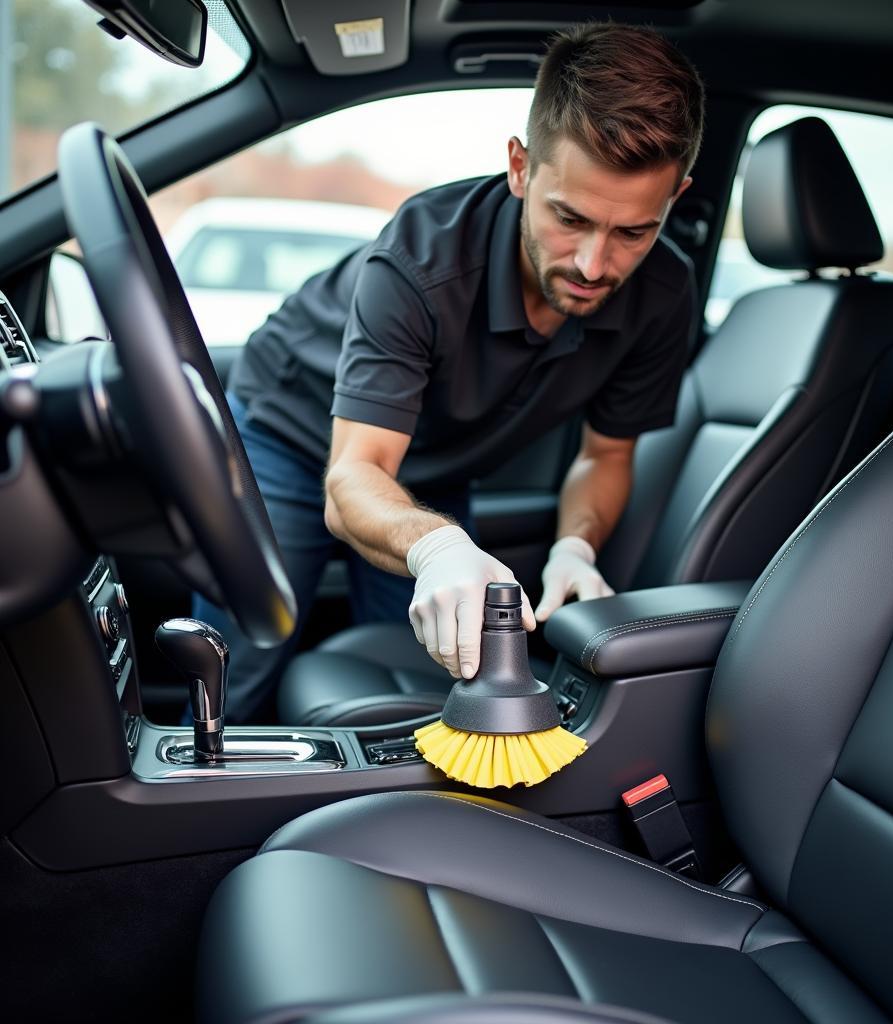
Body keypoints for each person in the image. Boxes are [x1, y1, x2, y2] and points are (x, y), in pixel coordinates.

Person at [194, 22, 705, 723]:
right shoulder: (421, 261)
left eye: (632, 232)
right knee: (241, 664)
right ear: (521, 168)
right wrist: (436, 546)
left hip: (436, 465)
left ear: (675, 198)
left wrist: (574, 545)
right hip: (297, 432)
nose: (593, 265)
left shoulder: (663, 294)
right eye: (569, 218)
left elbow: (607, 454)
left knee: (440, 682)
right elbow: (352, 482)